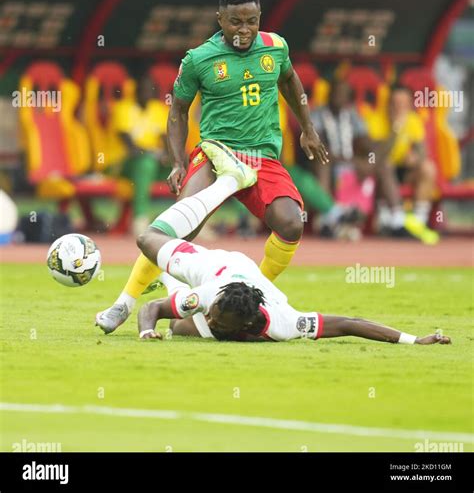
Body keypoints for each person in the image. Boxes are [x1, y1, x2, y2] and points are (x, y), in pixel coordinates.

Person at [96, 0, 329, 334]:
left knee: (292, 223)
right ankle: (123, 303)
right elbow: (177, 111)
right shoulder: (199, 59)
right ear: (220, 19)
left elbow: (290, 81)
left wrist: (307, 128)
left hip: (261, 157)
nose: (244, 30)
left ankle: (255, 290)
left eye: (251, 21)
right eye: (235, 22)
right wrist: (177, 162)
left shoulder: (276, 47)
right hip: (216, 153)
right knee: (176, 231)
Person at [133, 144, 450, 346]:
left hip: (238, 285)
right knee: (148, 240)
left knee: (180, 327)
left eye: (217, 322)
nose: (211, 319)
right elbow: (151, 309)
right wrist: (146, 331)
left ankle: (168, 278)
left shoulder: (285, 323)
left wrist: (414, 340)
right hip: (213, 267)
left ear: (247, 325)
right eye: (213, 315)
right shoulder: (209, 296)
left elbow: (350, 325)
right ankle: (226, 184)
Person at [311, 79, 438, 243]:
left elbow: (368, 146)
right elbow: (320, 149)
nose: (339, 98)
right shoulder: (317, 115)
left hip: (387, 168)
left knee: (418, 167)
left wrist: (415, 158)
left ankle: (401, 222)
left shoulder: (353, 116)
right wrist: (395, 129)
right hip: (328, 163)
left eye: (343, 95)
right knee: (324, 163)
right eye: (335, 93)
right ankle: (327, 219)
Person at [365, 85, 438, 230]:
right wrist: (396, 128)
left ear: (410, 105)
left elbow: (423, 151)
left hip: (403, 170)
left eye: (404, 104)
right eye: (396, 103)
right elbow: (377, 155)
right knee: (385, 166)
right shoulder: (376, 120)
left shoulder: (413, 120)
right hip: (380, 172)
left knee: (428, 168)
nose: (400, 108)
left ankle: (418, 221)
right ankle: (393, 219)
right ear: (389, 104)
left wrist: (416, 158)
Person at [109, 74, 169, 235]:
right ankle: (140, 220)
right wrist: (154, 154)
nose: (146, 93)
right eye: (142, 89)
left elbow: (166, 141)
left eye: (150, 90)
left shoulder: (158, 109)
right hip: (123, 164)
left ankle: (191, 221)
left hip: (153, 164)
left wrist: (171, 157)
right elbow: (130, 147)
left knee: (186, 165)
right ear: (135, 91)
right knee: (145, 163)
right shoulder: (123, 108)